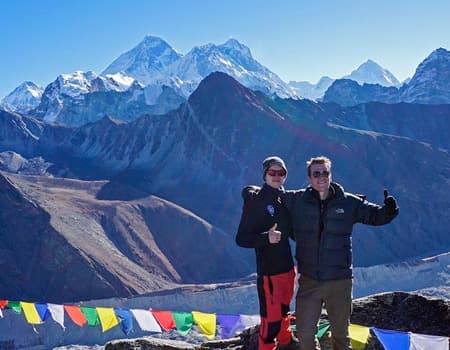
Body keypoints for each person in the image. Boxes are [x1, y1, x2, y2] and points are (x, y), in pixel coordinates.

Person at [290, 156, 399, 350]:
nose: (321, 177)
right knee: (305, 334)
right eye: (316, 173)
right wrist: (251, 192)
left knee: (341, 336)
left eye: (325, 173)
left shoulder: (348, 202)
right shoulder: (298, 200)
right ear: (309, 178)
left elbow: (375, 216)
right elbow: (274, 197)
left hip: (339, 281)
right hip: (309, 280)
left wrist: (389, 211)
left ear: (330, 175)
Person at [236, 156, 297, 350]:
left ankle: (286, 340)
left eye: (281, 173)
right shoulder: (256, 201)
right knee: (270, 321)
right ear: (265, 175)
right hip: (269, 273)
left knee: (284, 310)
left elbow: (292, 232)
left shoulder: (283, 199)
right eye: (273, 172)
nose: (277, 176)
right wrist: (266, 238)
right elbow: (242, 238)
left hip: (287, 268)